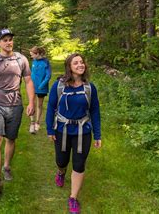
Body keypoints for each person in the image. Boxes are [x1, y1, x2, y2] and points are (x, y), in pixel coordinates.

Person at [0, 29, 35, 197]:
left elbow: (28, 81)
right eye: (5, 40)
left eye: (10, 39)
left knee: (11, 138)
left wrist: (31, 102)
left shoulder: (21, 60)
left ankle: (7, 166)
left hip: (15, 105)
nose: (8, 42)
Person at [45, 53, 101, 213]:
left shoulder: (90, 88)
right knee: (61, 160)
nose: (80, 65)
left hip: (83, 130)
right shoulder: (59, 85)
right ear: (69, 67)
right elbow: (51, 107)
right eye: (76, 63)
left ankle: (73, 198)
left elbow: (95, 111)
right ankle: (61, 172)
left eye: (82, 62)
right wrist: (50, 129)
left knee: (79, 163)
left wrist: (97, 135)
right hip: (62, 129)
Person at [29, 46, 51, 134]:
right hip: (32, 86)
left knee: (39, 105)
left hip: (42, 87)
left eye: (32, 55)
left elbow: (48, 75)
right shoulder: (34, 61)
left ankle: (37, 122)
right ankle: (32, 123)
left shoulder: (46, 62)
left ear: (37, 54)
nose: (31, 56)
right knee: (32, 104)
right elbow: (32, 73)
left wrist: (42, 85)